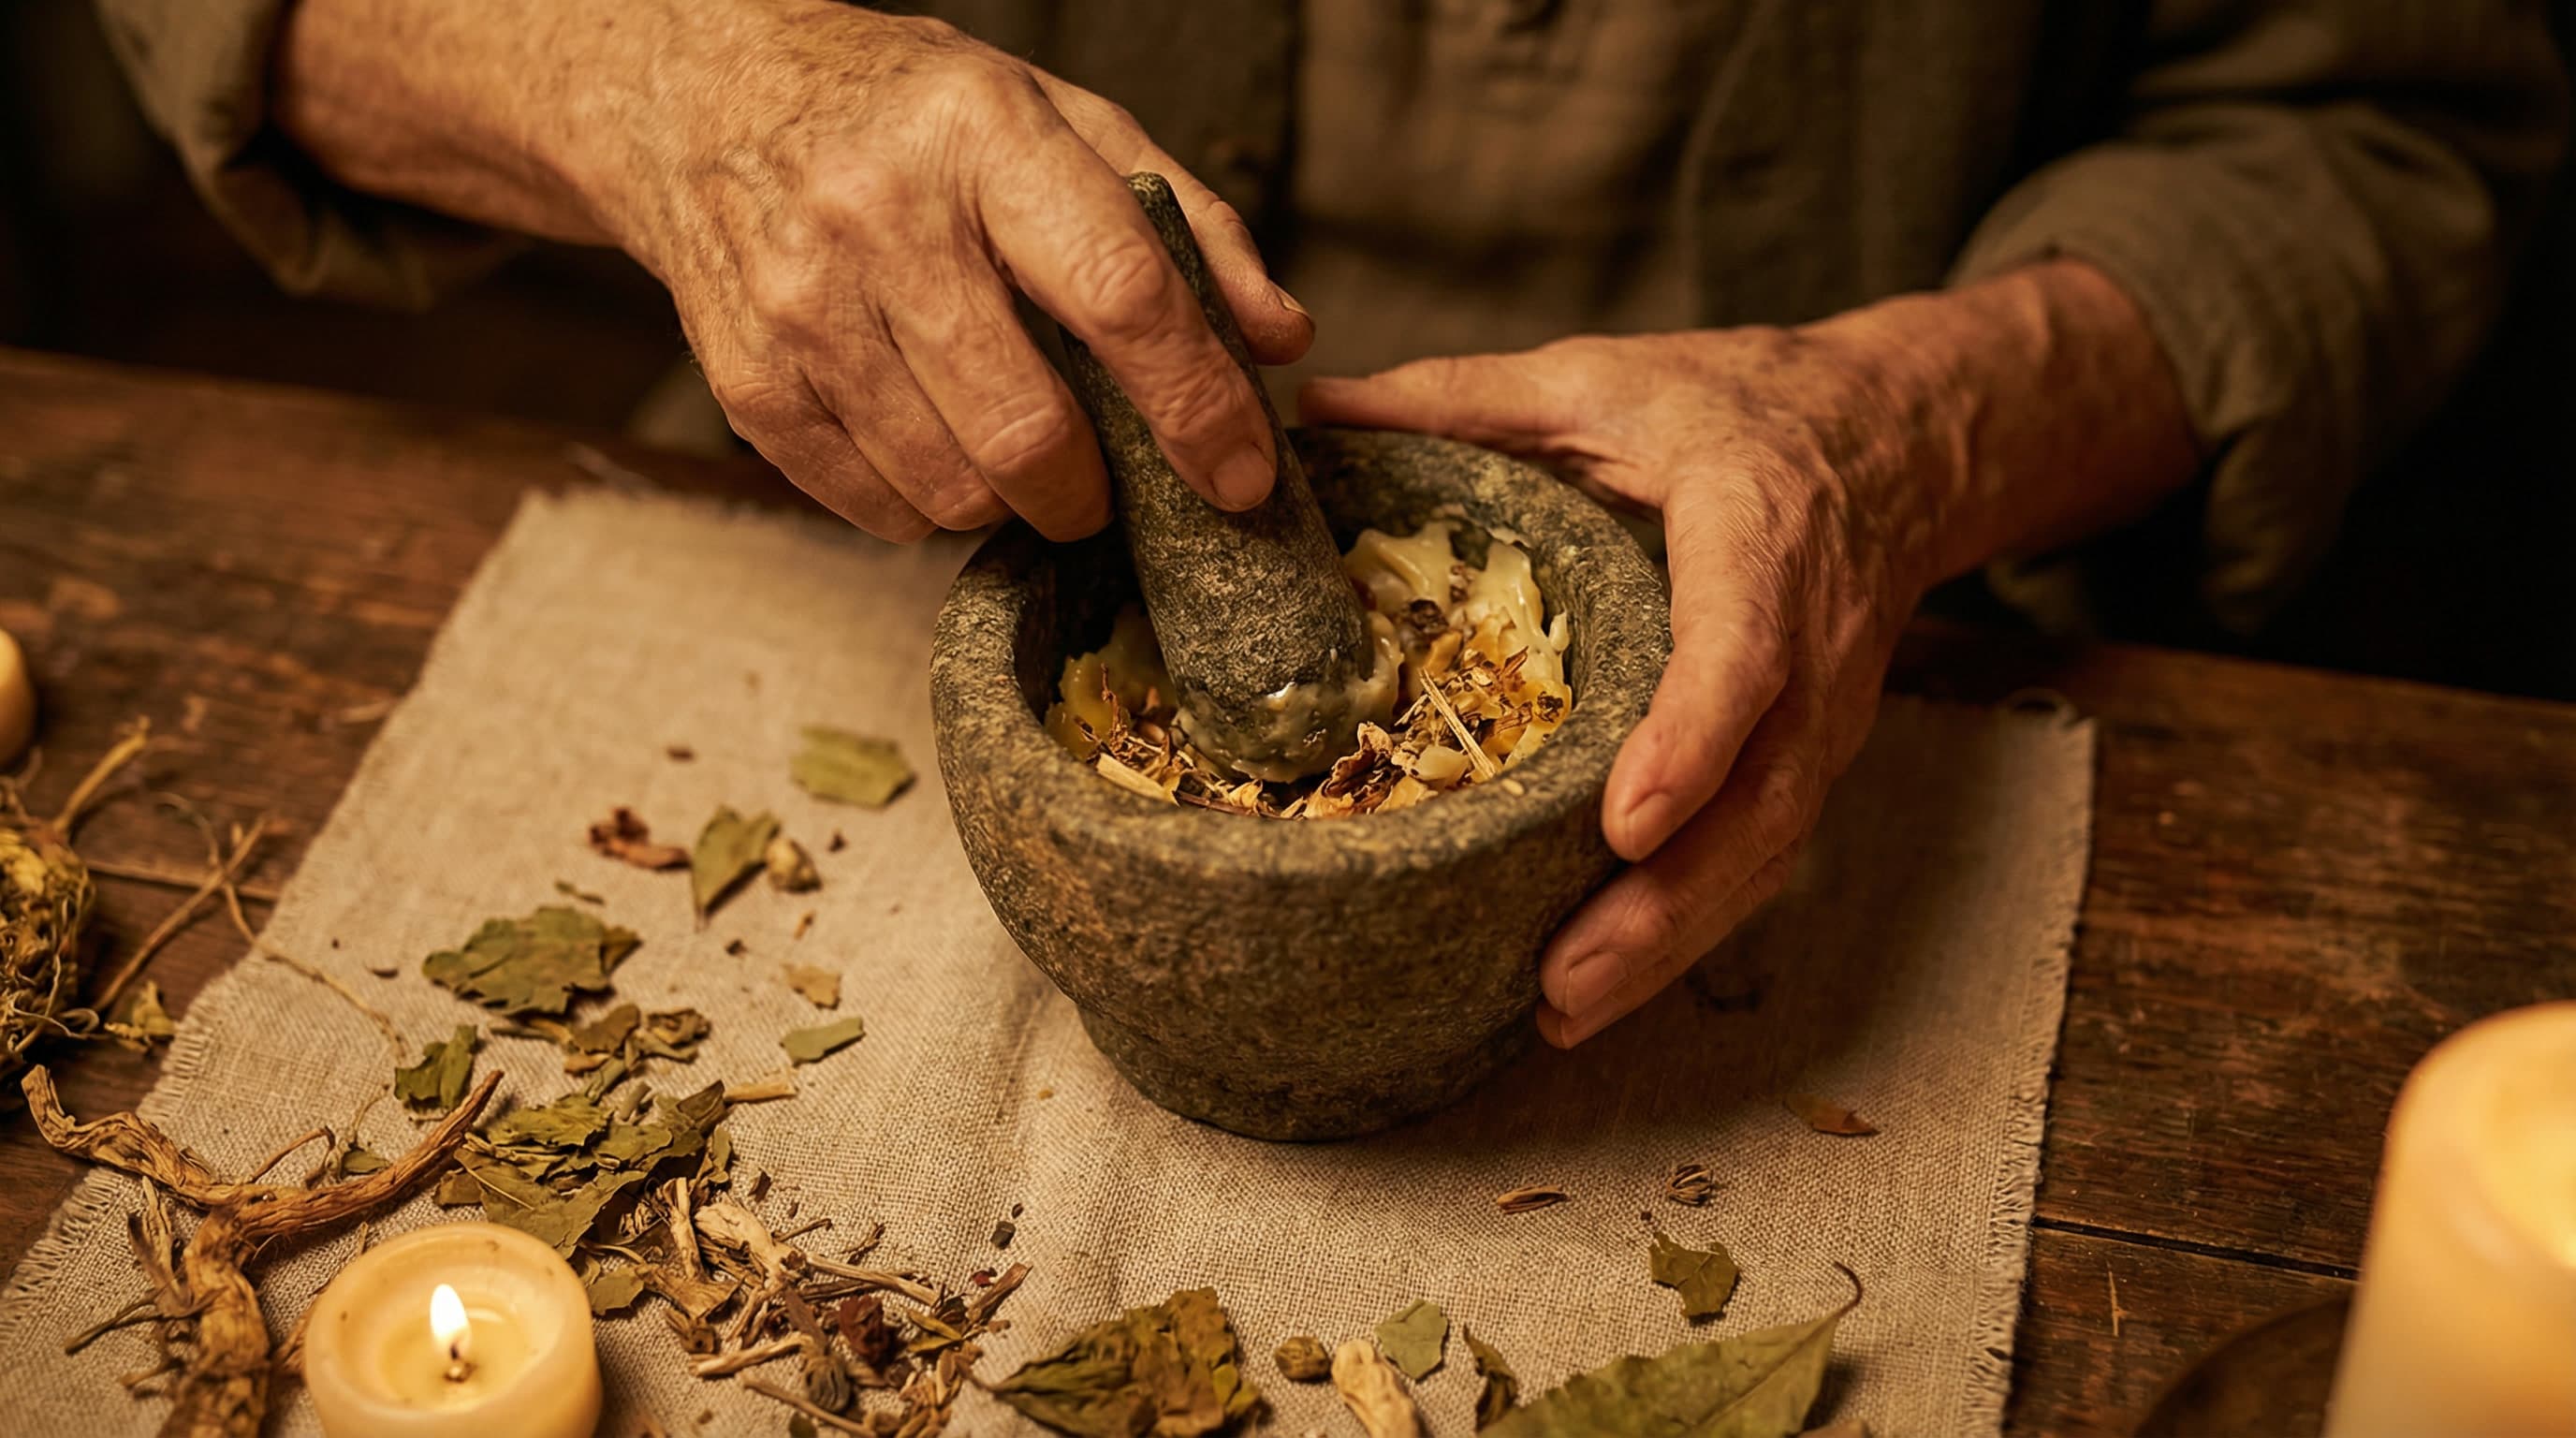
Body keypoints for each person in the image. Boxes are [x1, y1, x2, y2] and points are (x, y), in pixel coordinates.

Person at [97, 0, 2568, 1047]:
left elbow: (2382, 128)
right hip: (840, 481)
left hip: (1841, 578)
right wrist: (657, 83)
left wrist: (1905, 436)